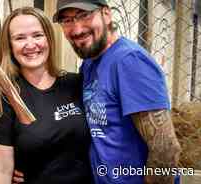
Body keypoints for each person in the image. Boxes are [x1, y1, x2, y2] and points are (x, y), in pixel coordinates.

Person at [51, 0, 182, 184]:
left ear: (106, 14)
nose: (77, 29)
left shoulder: (129, 61)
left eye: (84, 15)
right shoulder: (90, 63)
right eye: (67, 20)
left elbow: (165, 148)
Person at [0, 7, 92, 184]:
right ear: (10, 46)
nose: (30, 44)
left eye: (37, 35)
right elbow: (0, 168)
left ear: (49, 39)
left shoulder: (76, 83)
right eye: (20, 38)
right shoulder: (6, 95)